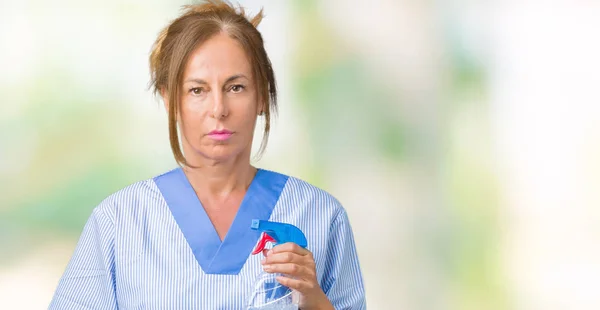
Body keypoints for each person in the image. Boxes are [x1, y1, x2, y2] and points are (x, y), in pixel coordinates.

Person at [49, 1, 366, 309]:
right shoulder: (120, 221)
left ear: (262, 96)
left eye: (236, 87)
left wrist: (314, 301)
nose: (219, 109)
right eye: (197, 90)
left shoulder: (320, 215)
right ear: (170, 100)